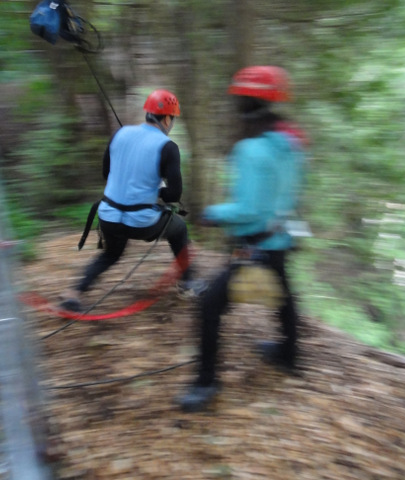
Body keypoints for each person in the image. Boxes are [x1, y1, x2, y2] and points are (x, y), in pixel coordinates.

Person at [178, 66, 307, 412]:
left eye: (239, 99)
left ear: (247, 103)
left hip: (256, 245)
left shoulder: (250, 150)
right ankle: (289, 355)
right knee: (284, 295)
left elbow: (248, 209)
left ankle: (206, 382)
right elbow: (291, 194)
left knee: (209, 305)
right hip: (279, 239)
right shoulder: (292, 144)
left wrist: (213, 213)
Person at [59, 89, 201, 312]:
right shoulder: (168, 147)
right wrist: (158, 191)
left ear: (148, 113)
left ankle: (73, 293)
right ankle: (188, 283)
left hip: (108, 217)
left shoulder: (120, 133)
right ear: (167, 119)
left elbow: (106, 173)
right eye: (172, 119)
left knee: (111, 254)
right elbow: (174, 195)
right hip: (142, 223)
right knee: (180, 229)